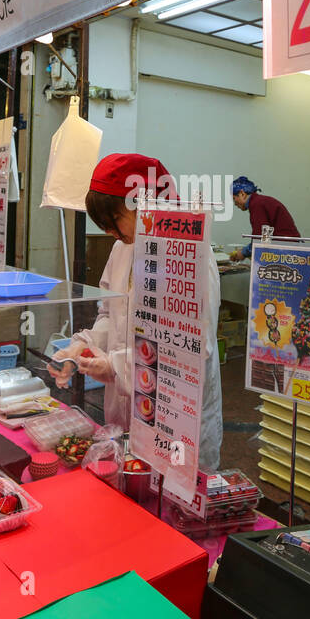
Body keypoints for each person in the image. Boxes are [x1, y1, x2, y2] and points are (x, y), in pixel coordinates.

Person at [47, 153, 224, 472]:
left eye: (112, 221)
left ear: (144, 205)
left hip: (175, 419)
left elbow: (190, 351)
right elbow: (109, 313)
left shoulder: (191, 254)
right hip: (126, 411)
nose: (110, 232)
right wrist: (81, 344)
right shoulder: (122, 247)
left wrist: (114, 365)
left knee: (172, 506)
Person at [227, 176, 301, 262]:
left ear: (242, 194)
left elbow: (261, 239)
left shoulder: (256, 205)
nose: (235, 203)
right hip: (289, 247)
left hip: (285, 250)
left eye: (234, 199)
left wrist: (243, 252)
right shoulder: (260, 201)